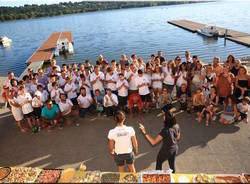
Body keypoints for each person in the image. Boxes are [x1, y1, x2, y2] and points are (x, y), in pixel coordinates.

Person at [139, 108, 180, 172]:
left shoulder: (165, 131)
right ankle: (173, 177)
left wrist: (144, 132)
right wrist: (171, 139)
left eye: (164, 116)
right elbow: (178, 138)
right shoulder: (176, 125)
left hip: (166, 151)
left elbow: (153, 142)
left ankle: (158, 176)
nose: (163, 117)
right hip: (174, 149)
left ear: (166, 119)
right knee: (172, 164)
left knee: (159, 162)